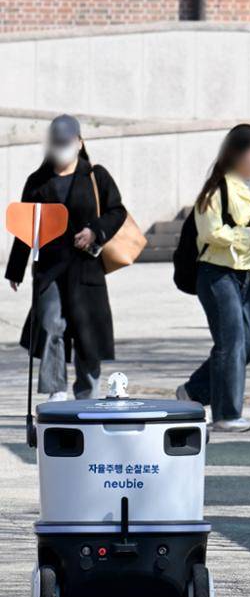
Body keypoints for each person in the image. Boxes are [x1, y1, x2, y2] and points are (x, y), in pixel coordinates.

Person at [5, 115, 126, 400]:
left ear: (80, 142)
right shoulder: (37, 181)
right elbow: (27, 226)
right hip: (50, 269)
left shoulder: (96, 176)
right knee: (50, 324)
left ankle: (87, 393)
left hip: (86, 269)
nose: (62, 148)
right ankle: (56, 391)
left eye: (67, 142)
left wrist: (95, 231)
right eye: (57, 143)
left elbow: (116, 211)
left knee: (87, 332)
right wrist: (15, 269)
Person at [177, 124, 250, 432]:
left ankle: (194, 392)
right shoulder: (217, 189)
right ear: (237, 153)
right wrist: (249, 233)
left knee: (247, 346)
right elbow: (209, 232)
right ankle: (227, 414)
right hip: (217, 273)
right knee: (232, 342)